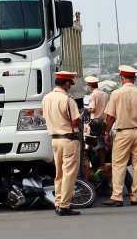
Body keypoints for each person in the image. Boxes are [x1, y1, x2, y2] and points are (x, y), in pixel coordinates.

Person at [102, 65, 137, 207]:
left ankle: (117, 197)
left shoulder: (116, 94)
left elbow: (110, 117)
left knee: (119, 164)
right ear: (135, 78)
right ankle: (135, 197)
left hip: (123, 132)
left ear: (121, 78)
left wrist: (107, 133)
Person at [40, 71, 82, 216]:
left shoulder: (46, 98)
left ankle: (58, 202)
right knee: (69, 174)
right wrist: (81, 117)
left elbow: (46, 116)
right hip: (68, 139)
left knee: (59, 174)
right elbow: (75, 120)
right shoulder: (67, 99)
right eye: (70, 84)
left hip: (55, 139)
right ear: (67, 84)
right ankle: (64, 205)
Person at [85, 75, 109, 153]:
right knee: (103, 146)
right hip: (105, 123)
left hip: (95, 124)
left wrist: (88, 110)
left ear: (89, 86)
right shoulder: (106, 95)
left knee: (91, 144)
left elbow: (93, 109)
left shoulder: (93, 95)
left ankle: (100, 164)